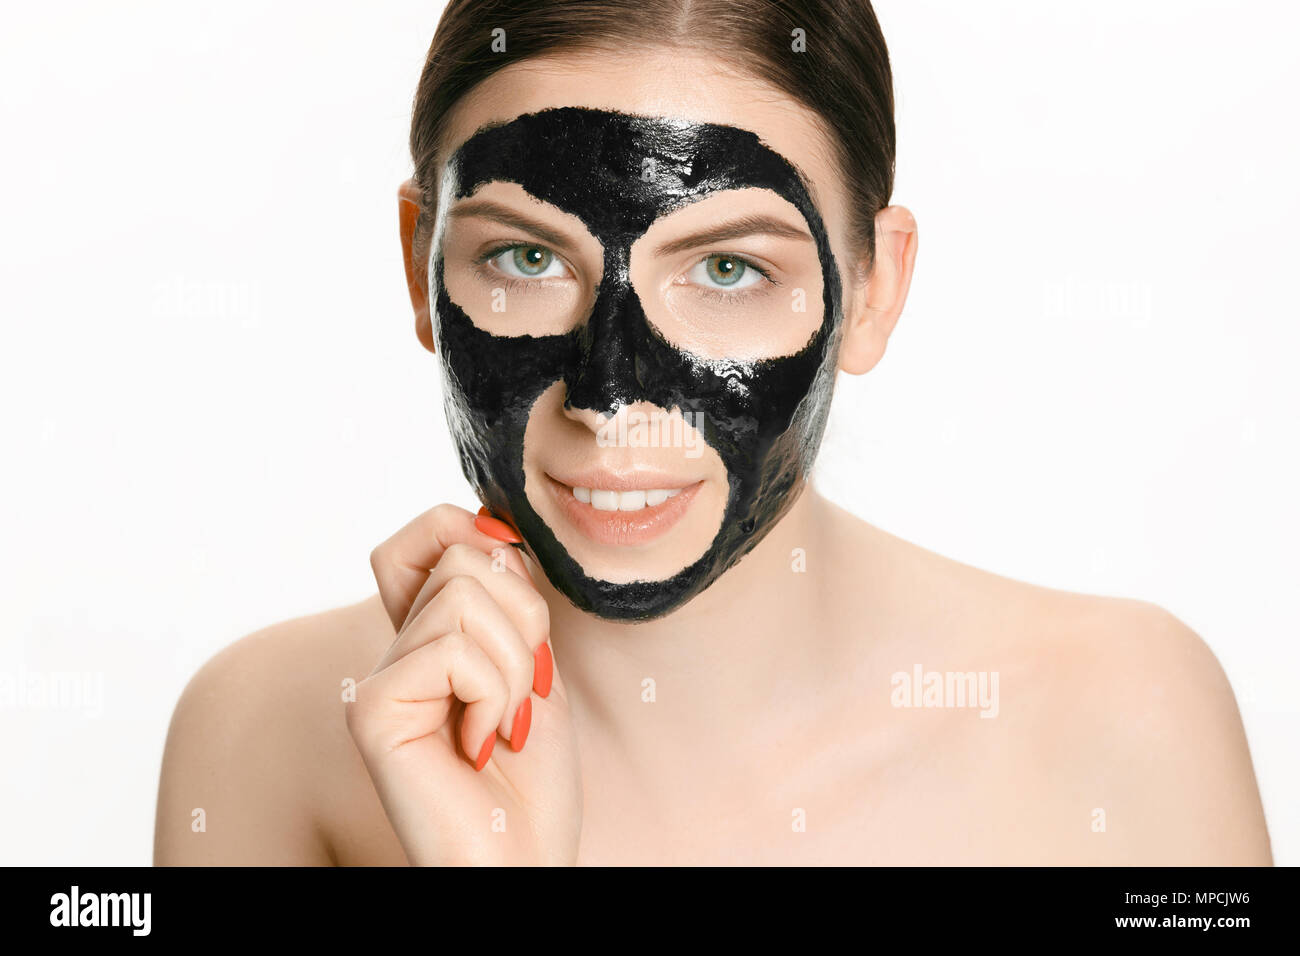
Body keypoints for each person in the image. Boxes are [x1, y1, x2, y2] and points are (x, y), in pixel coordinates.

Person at [154, 0, 1273, 865]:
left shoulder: (1125, 716)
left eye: (729, 268)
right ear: (418, 263)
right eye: (525, 257)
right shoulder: (267, 733)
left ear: (874, 290)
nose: (610, 396)